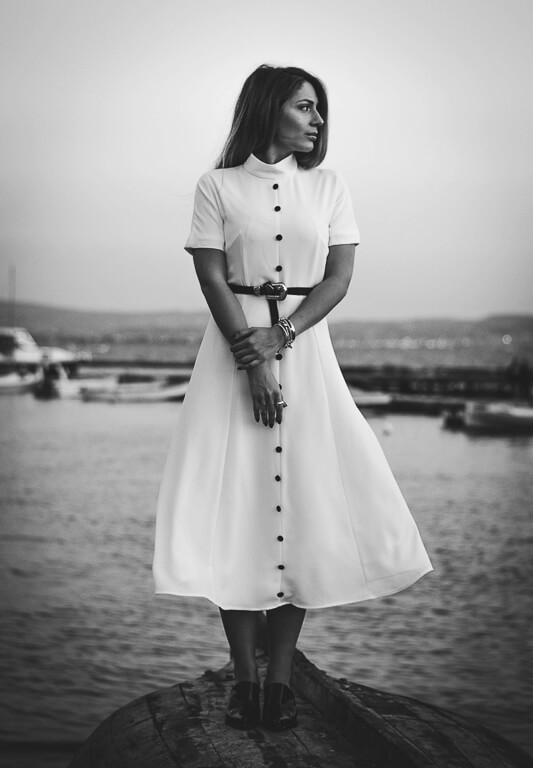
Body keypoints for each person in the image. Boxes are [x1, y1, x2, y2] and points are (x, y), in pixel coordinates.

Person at [153, 64, 433, 731]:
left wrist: (280, 338)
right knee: (240, 514)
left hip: (305, 354)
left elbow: (336, 280)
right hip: (229, 357)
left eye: (320, 111)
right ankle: (242, 680)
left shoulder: (329, 186)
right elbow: (213, 277)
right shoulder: (215, 185)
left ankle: (278, 682)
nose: (317, 121)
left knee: (301, 510)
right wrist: (249, 360)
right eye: (306, 107)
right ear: (269, 108)